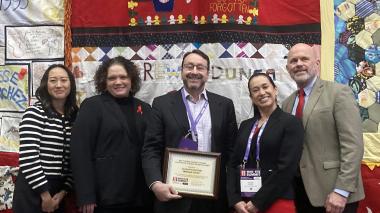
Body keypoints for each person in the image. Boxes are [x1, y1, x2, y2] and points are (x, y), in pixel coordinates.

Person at [142, 49, 238, 213]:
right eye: (189, 66)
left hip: (214, 198)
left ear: (208, 73)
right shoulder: (162, 104)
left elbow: (232, 153)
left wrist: (233, 195)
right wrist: (156, 184)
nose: (194, 72)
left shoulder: (225, 105)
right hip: (174, 196)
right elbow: (151, 148)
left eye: (200, 67)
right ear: (182, 71)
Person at [282, 43, 365, 213]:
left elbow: (353, 146)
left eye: (305, 59)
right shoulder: (287, 103)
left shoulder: (338, 93)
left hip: (335, 196)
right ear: (288, 68)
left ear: (317, 64)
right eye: (293, 61)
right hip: (302, 194)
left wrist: (341, 191)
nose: (299, 64)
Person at [70, 56, 153, 213]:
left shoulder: (145, 108)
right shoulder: (92, 106)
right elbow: (80, 152)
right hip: (106, 198)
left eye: (123, 77)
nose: (118, 82)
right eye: (112, 78)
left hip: (141, 197)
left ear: (132, 79)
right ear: (104, 82)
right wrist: (86, 195)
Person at [227, 73, 304, 213]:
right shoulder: (245, 125)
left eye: (265, 87)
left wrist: (258, 202)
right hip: (244, 203)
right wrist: (235, 199)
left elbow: (287, 168)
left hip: (277, 200)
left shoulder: (291, 123)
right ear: (251, 97)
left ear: (275, 90)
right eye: (255, 90)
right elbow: (233, 164)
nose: (261, 92)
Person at [13, 64, 78, 213]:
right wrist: (45, 195)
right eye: (53, 80)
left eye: (63, 80)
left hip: (59, 192)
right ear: (45, 85)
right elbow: (29, 158)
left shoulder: (75, 116)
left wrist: (63, 192)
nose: (59, 85)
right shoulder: (34, 112)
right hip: (33, 189)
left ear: (71, 84)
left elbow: (75, 158)